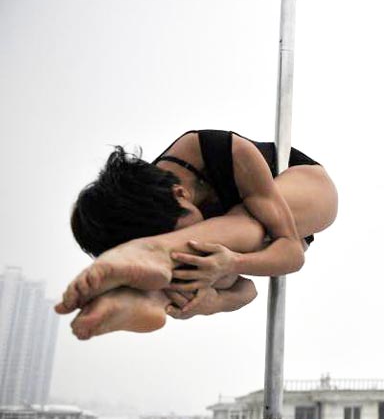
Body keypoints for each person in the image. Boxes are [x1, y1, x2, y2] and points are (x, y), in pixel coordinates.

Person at [56, 130, 338, 340]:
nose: (195, 238)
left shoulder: (219, 150)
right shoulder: (145, 211)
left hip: (304, 189)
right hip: (248, 244)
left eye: (182, 232)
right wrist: (210, 302)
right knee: (205, 263)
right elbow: (246, 290)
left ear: (180, 194)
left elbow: (291, 253)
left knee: (246, 226)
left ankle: (154, 257)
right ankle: (149, 299)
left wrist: (235, 262)